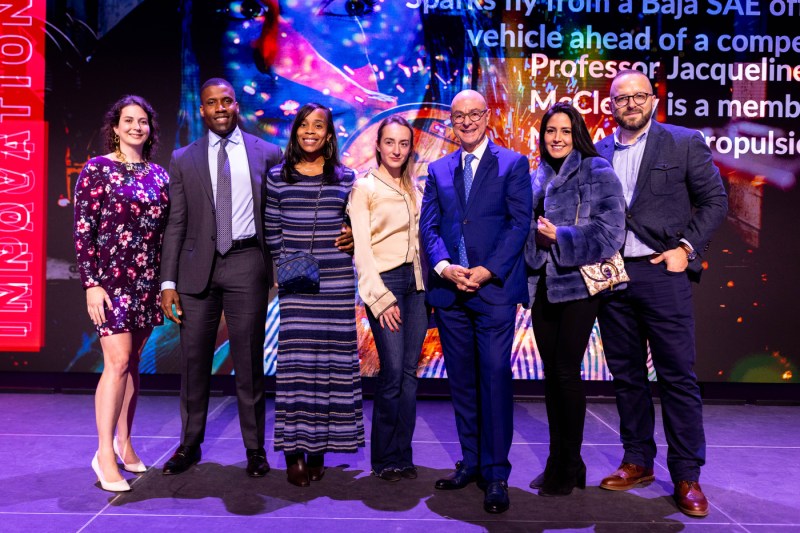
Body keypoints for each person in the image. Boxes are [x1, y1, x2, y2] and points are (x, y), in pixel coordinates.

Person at [594, 70, 728, 517]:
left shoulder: (683, 141)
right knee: (627, 377)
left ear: (653, 99)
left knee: (676, 376)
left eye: (638, 97)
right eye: (620, 98)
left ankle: (687, 475)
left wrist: (686, 249)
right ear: (610, 105)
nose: (629, 104)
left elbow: (715, 201)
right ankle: (637, 461)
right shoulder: (598, 152)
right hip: (613, 279)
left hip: (661, 275)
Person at [159, 78, 281, 478]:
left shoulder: (268, 153)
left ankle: (254, 450)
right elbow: (175, 224)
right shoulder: (182, 157)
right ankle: (188, 446)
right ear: (203, 110)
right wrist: (168, 283)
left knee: (248, 363)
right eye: (212, 103)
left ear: (235, 104)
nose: (220, 108)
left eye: (226, 100)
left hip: (247, 262)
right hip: (197, 271)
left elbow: (281, 214)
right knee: (194, 363)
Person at [420, 89, 532, 513]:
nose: (466, 121)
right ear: (451, 121)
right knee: (463, 382)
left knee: (494, 379)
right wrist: (445, 266)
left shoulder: (512, 163)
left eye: (474, 114)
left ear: (487, 116)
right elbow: (429, 228)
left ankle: (496, 472)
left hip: (493, 291)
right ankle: (470, 461)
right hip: (451, 291)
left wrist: (487, 270)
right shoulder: (438, 169)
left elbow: (519, 223)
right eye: (458, 115)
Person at [524, 102, 625, 496]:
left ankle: (567, 464)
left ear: (576, 134)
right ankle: (562, 460)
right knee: (553, 375)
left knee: (565, 371)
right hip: (544, 287)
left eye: (565, 131)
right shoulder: (538, 175)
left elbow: (610, 233)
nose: (557, 138)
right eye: (551, 131)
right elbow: (527, 232)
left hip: (580, 287)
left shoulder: (597, 170)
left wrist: (560, 236)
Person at [264, 103, 364, 487]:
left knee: (328, 366)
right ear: (295, 131)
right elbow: (272, 231)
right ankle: (294, 452)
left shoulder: (347, 177)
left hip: (337, 281)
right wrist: (288, 268)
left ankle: (320, 447)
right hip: (298, 282)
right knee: (297, 367)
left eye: (317, 126)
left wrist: (354, 236)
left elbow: (359, 224)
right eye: (304, 125)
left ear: (328, 133)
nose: (310, 131)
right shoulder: (278, 177)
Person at [73, 95, 169, 492]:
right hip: (110, 282)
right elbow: (83, 230)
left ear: (150, 128)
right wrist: (91, 284)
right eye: (128, 121)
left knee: (132, 365)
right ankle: (104, 454)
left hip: (146, 280)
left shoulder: (160, 175)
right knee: (117, 361)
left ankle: (125, 444)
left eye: (142, 121)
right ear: (115, 127)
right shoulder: (96, 170)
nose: (135, 127)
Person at [348, 116, 428, 482]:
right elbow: (361, 250)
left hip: (416, 285)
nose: (397, 150)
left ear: (411, 147)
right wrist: (379, 297)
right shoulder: (364, 187)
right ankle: (383, 458)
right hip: (386, 283)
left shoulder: (413, 187)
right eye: (390, 142)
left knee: (409, 374)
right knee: (393, 372)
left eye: (404, 143)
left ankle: (403, 454)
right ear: (378, 145)